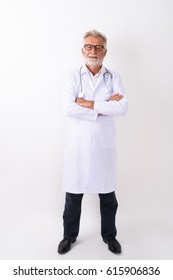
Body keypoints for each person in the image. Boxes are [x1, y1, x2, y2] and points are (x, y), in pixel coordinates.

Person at [58, 29, 128, 255]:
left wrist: (87, 104)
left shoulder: (113, 77)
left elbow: (122, 107)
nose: (93, 51)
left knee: (108, 196)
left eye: (98, 47)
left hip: (103, 146)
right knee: (73, 196)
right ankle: (69, 236)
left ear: (105, 52)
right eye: (89, 46)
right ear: (82, 50)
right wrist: (104, 105)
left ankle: (110, 237)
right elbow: (68, 107)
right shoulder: (72, 76)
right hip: (77, 146)